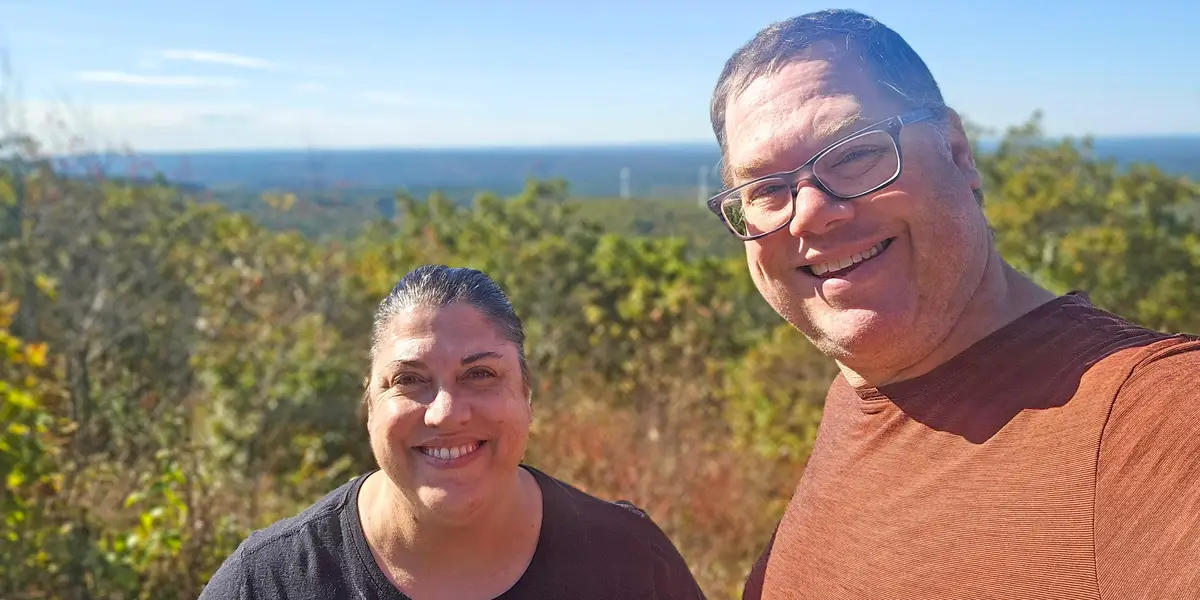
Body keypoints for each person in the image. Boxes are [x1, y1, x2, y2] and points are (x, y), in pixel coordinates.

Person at [705, 9, 1200, 600]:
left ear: (958, 152)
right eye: (765, 190)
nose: (809, 212)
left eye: (853, 154)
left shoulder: (1158, 422)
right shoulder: (868, 401)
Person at [199, 265, 707, 600]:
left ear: (527, 396)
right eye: (409, 380)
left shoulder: (631, 565)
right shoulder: (268, 583)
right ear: (370, 405)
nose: (445, 412)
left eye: (480, 375)